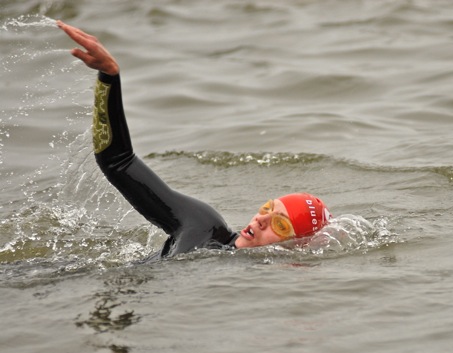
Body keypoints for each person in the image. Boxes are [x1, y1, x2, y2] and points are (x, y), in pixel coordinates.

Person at [57, 21, 331, 258]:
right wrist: (109, 76)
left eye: (278, 225)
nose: (260, 220)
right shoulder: (202, 225)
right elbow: (117, 161)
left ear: (297, 246)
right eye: (267, 209)